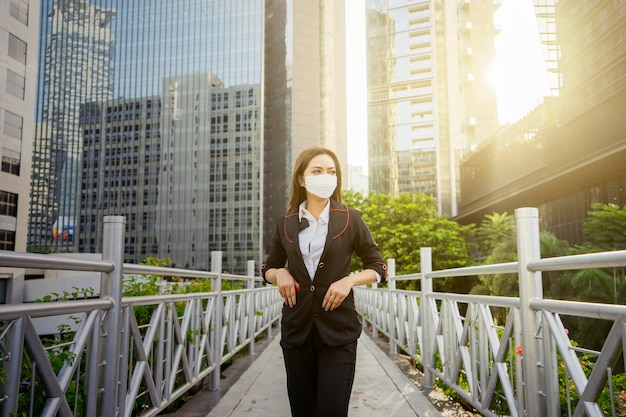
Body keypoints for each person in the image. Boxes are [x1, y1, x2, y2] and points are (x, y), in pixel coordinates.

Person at [262, 146, 387, 417]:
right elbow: (268, 267)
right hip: (297, 332)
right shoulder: (285, 223)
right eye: (317, 171)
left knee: (332, 410)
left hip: (339, 331)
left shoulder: (350, 218)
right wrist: (279, 273)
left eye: (331, 172)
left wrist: (348, 281)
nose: (325, 176)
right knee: (303, 411)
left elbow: (378, 266)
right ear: (302, 179)